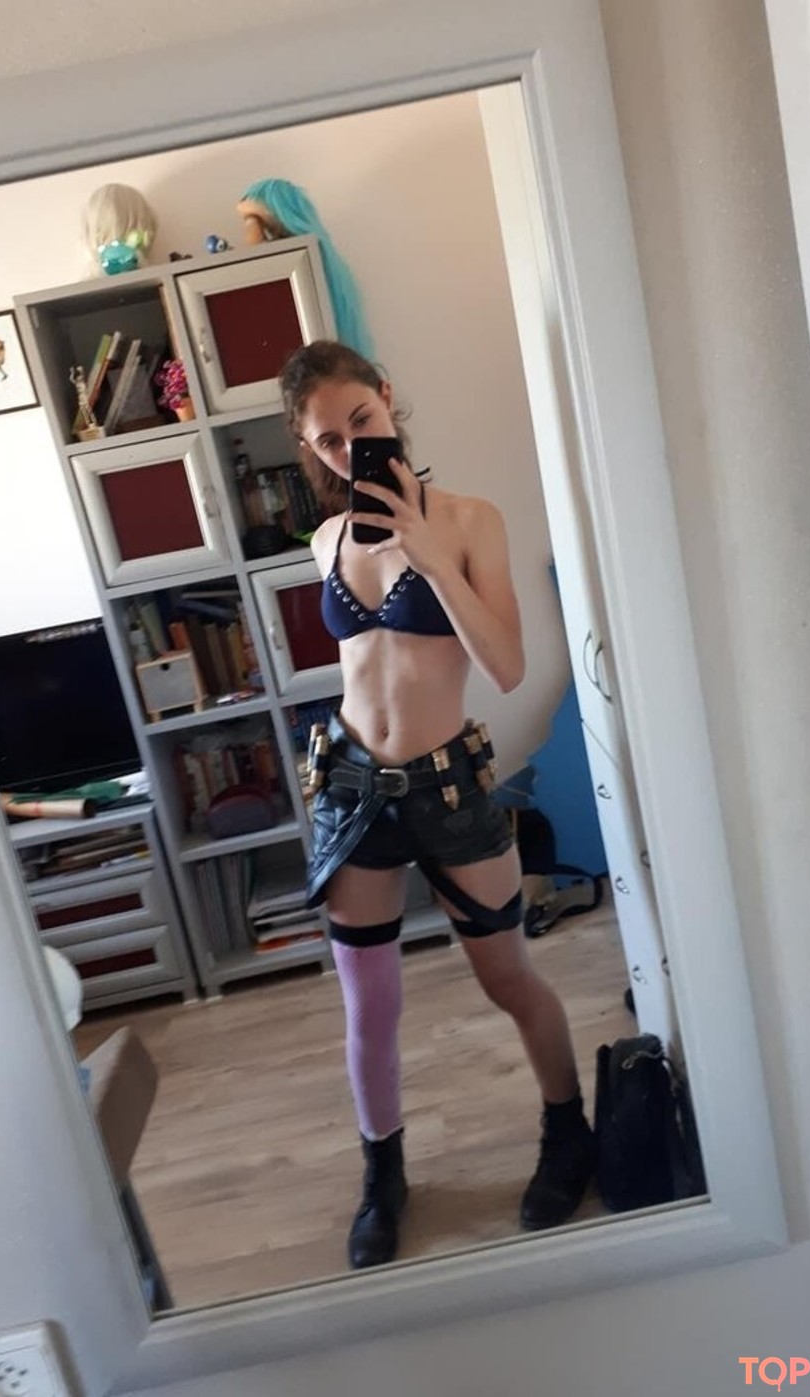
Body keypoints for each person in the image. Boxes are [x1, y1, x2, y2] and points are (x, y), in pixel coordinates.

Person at [280, 340, 595, 1270]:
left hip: (447, 782)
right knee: (368, 1004)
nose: (350, 449)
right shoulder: (325, 543)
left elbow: (506, 665)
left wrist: (428, 555)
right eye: (328, 441)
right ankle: (382, 1175)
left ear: (387, 397)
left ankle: (568, 1130)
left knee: (508, 978)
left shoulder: (468, 520)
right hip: (349, 786)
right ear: (311, 449)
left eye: (361, 422)